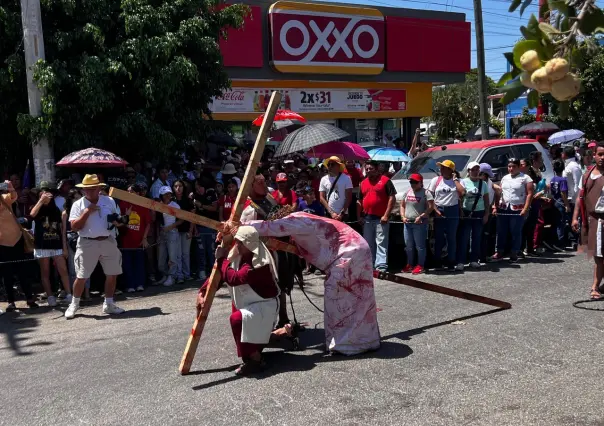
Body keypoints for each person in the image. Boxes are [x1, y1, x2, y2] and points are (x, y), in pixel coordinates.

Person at [227, 211, 381, 355]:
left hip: (347, 255)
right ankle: (366, 340)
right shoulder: (306, 222)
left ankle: (346, 345)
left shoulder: (296, 220)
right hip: (357, 249)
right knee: (360, 300)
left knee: (339, 302)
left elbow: (270, 227)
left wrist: (239, 227)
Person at [196, 227, 293, 375]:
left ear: (249, 243)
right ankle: (277, 334)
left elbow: (234, 278)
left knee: (237, 320)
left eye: (241, 243)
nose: (237, 245)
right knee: (242, 320)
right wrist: (202, 291)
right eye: (237, 242)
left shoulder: (260, 262)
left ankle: (256, 360)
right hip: (248, 304)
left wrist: (221, 259)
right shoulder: (237, 255)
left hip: (264, 307)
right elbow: (220, 276)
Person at [65, 174, 125, 319]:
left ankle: (109, 304)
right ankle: (74, 304)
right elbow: (74, 227)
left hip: (108, 240)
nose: (89, 191)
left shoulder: (109, 201)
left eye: (92, 188)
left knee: (112, 273)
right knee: (81, 276)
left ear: (99, 188)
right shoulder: (78, 204)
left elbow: (118, 220)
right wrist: (87, 212)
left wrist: (119, 222)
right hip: (87, 242)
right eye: (86, 189)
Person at [29, 181, 73, 306]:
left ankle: (69, 294)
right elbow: (32, 214)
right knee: (45, 271)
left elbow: (62, 229)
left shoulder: (56, 210)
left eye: (47, 192)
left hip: (56, 243)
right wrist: (41, 201)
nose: (45, 194)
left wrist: (64, 247)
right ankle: (50, 296)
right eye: (42, 192)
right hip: (42, 244)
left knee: (62, 270)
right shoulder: (36, 207)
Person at [0, 180, 38, 311]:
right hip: (2, 243)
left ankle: (29, 298)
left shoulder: (4, 199)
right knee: (7, 274)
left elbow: (14, 196)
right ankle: (11, 301)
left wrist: (10, 187)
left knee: (23, 271)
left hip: (17, 239)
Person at [572, 141, 604, 298]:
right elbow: (580, 198)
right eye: (600, 154)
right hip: (593, 220)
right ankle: (596, 286)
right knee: (598, 255)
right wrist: (575, 218)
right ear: (594, 155)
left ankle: (597, 285)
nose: (602, 158)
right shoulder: (587, 175)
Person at [490, 158, 534, 263]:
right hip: (503, 207)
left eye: (514, 166)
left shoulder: (526, 178)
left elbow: (530, 194)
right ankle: (499, 251)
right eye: (509, 166)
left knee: (515, 231)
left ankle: (514, 252)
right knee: (501, 231)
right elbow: (499, 192)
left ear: (519, 167)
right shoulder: (505, 178)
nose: (511, 169)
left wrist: (526, 208)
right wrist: (495, 206)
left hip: (517, 208)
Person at [358, 160, 397, 271]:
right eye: (367, 169)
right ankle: (370, 263)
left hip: (381, 218)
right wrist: (359, 216)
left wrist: (386, 215)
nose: (369, 171)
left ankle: (381, 265)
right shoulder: (363, 182)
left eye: (371, 169)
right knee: (368, 243)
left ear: (377, 169)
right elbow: (359, 200)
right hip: (367, 218)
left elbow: (392, 198)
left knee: (381, 242)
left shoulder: (385, 181)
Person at [428, 159, 466, 270]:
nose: (441, 169)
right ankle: (437, 261)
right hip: (439, 208)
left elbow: (462, 192)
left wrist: (455, 180)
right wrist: (435, 209)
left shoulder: (458, 181)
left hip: (452, 210)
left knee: (451, 237)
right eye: (441, 167)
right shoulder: (436, 180)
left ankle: (451, 261)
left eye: (444, 168)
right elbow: (429, 195)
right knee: (439, 237)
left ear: (450, 170)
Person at [119, 184, 152, 292]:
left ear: (137, 193)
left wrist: (145, 238)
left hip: (139, 240)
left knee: (139, 263)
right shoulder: (123, 204)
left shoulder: (143, 204)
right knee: (127, 264)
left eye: (132, 191)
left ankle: (140, 284)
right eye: (128, 191)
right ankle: (130, 285)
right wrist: (126, 215)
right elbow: (119, 222)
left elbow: (147, 223)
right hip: (126, 240)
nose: (129, 193)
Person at [457, 162, 489, 270]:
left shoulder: (483, 183)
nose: (475, 172)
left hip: (479, 212)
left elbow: (486, 200)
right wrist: (460, 210)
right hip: (466, 212)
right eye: (473, 170)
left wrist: (486, 214)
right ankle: (461, 261)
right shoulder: (464, 182)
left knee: (476, 237)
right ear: (469, 171)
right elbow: (460, 197)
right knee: (464, 237)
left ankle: (474, 260)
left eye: (477, 170)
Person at [400, 173, 434, 274]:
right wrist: (403, 216)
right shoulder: (407, 192)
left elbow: (431, 207)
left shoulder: (426, 193)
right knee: (408, 245)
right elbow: (402, 205)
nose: (412, 184)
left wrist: (422, 216)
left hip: (420, 223)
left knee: (420, 246)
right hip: (408, 223)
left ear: (421, 183)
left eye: (415, 182)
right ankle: (410, 264)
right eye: (411, 182)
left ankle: (420, 265)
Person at [192, 178, 219, 280]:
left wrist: (202, 205)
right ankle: (202, 271)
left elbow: (214, 208)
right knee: (200, 251)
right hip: (200, 227)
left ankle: (214, 271)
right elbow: (193, 212)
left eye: (197, 186)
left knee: (211, 250)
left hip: (211, 226)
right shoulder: (195, 196)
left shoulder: (211, 193)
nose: (196, 188)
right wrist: (194, 227)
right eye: (195, 186)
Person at [156, 186, 182, 287]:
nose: (168, 196)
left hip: (172, 232)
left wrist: (170, 227)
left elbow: (181, 219)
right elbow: (157, 221)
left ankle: (172, 276)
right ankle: (165, 275)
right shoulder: (158, 205)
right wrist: (159, 233)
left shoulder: (175, 205)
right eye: (166, 194)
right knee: (161, 260)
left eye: (169, 194)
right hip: (162, 232)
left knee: (172, 257)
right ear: (161, 195)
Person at [173, 180, 194, 283]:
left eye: (180, 186)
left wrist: (191, 230)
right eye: (176, 186)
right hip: (175, 230)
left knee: (185, 253)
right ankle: (179, 275)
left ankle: (187, 274)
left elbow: (192, 217)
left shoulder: (187, 201)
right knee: (178, 254)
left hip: (186, 229)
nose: (178, 188)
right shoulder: (171, 201)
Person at [319, 156, 353, 221]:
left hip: (343, 214)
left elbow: (349, 198)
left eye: (332, 164)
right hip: (329, 213)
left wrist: (341, 213)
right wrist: (331, 213)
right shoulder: (323, 179)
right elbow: (321, 198)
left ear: (338, 166)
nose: (330, 166)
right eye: (328, 164)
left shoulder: (346, 178)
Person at [550, 160, 570, 251]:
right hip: (560, 202)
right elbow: (563, 193)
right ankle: (559, 243)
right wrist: (567, 205)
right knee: (561, 223)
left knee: (555, 222)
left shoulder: (552, 179)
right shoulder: (563, 180)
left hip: (554, 202)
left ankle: (553, 241)